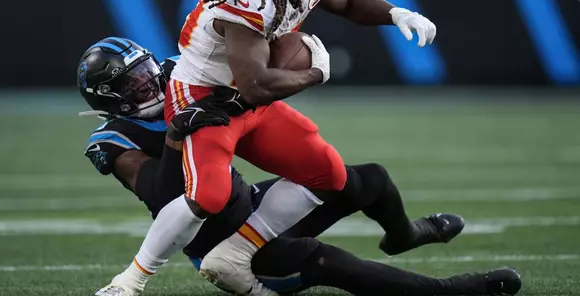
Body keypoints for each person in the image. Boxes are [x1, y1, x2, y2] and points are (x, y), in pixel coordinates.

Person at [142, 0, 439, 293]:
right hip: (203, 97)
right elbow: (255, 86)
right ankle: (130, 280)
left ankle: (235, 252)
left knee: (327, 171)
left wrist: (396, 12)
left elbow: (346, 0)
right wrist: (314, 72)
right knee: (208, 195)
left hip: (247, 95)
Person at [78, 38, 521, 296]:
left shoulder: (179, 79)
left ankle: (405, 234)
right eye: (133, 85)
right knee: (331, 262)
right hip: (229, 247)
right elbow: (164, 196)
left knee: (368, 179)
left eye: (148, 71)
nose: (151, 83)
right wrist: (177, 134)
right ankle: (449, 290)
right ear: (111, 99)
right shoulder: (114, 142)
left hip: (256, 205)